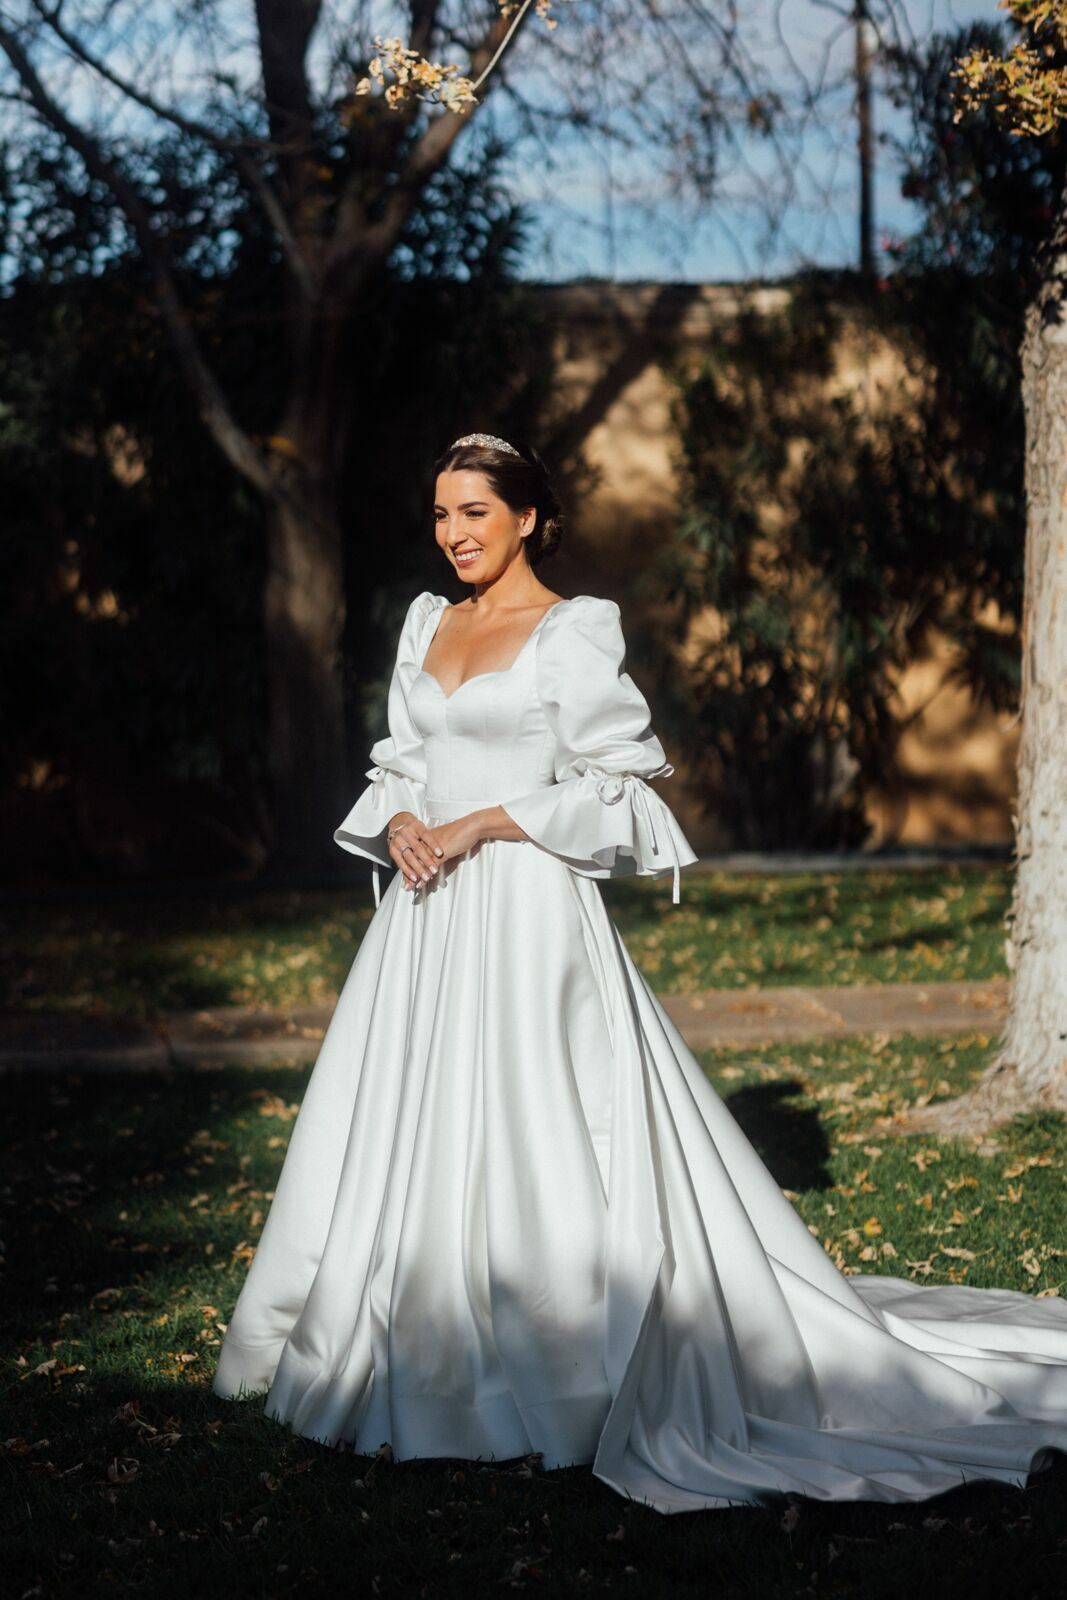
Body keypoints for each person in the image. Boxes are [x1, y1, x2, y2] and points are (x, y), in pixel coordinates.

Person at [214, 432, 1067, 1514]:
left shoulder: (570, 633)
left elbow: (620, 786)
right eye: (438, 515)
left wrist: (486, 819)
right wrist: (402, 824)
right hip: (426, 923)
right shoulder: (427, 624)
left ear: (527, 517)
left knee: (538, 1117)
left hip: (526, 910)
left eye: (473, 512)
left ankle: (556, 1357)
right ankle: (418, 1342)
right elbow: (400, 760)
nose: (452, 534)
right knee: (416, 1118)